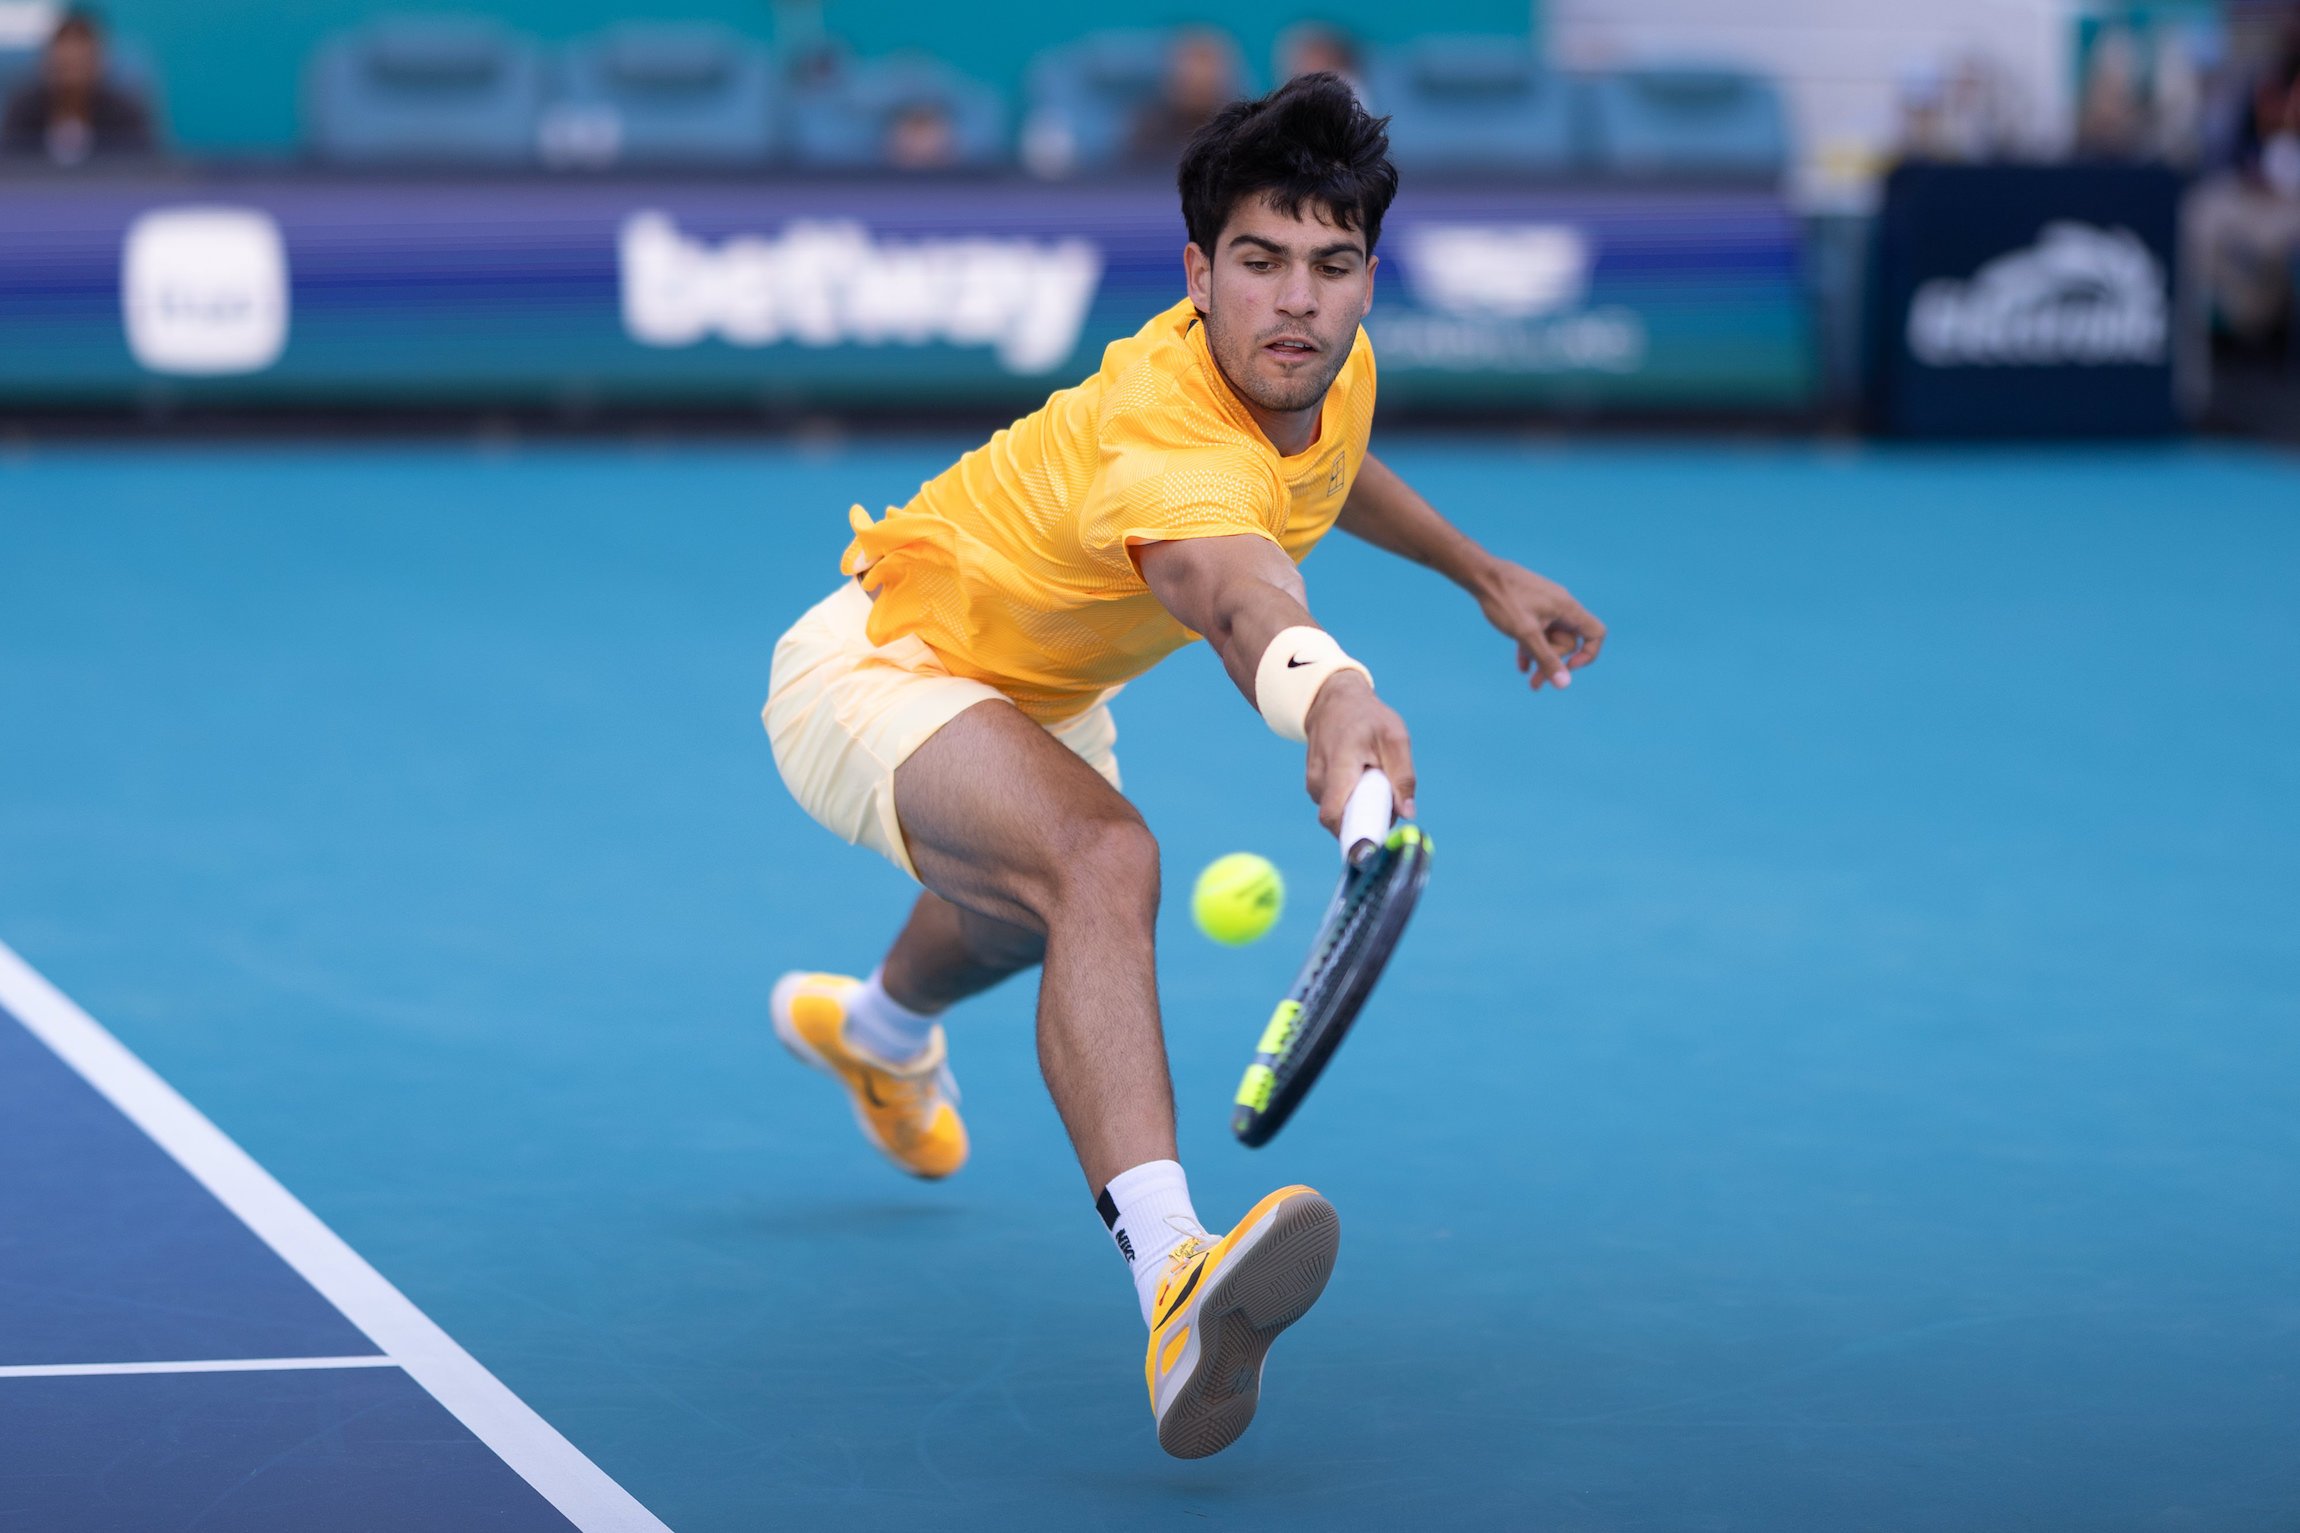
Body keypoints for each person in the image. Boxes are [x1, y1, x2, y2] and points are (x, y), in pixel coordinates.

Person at [762, 73, 1605, 1460]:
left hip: (1041, 691)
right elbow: (1237, 591)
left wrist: (1480, 571)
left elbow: (1323, 476)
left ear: (1368, 281)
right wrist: (1334, 695)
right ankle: (1176, 1278)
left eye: (1333, 269)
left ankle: (879, 1031)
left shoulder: (1321, 362)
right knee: (1103, 859)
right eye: (1259, 264)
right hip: (879, 659)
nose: (1298, 302)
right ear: (1198, 273)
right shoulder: (1165, 432)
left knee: (1015, 911)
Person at [0, 9, 154, 164]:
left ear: (98, 64)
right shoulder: (22, 112)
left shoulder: (125, 116)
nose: (71, 80)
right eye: (64, 67)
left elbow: (140, 170)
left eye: (80, 66)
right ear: (46, 64)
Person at [1126, 27, 1238, 166]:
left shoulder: (1241, 132)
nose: (1197, 75)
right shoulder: (1148, 132)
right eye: (1188, 65)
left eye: (1205, 63)